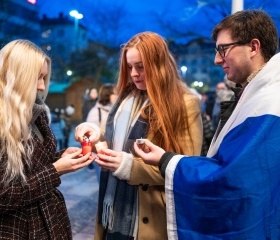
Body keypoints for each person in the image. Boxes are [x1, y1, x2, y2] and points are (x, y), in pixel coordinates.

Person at [133, 10, 280, 239]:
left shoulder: (271, 101)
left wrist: (166, 160)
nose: (217, 59)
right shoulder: (253, 93)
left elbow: (233, 178)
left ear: (253, 47)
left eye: (223, 49)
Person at [75, 31, 203, 240]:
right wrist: (96, 136)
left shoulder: (185, 102)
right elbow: (118, 143)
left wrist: (129, 167)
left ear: (159, 64)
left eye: (141, 66)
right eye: (129, 67)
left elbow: (183, 167)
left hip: (149, 217)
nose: (134, 73)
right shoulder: (125, 97)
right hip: (112, 211)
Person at [0, 39, 94, 239]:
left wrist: (60, 158)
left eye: (44, 77)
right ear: (17, 76)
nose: (42, 86)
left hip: (49, 221)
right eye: (37, 77)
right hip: (16, 229)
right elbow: (4, 196)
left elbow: (32, 167)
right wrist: (56, 169)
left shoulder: (36, 112)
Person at [86, 83, 117, 177]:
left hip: (114, 154)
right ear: (107, 95)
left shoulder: (117, 110)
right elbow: (89, 134)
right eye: (115, 93)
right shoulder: (96, 112)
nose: (117, 96)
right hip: (101, 155)